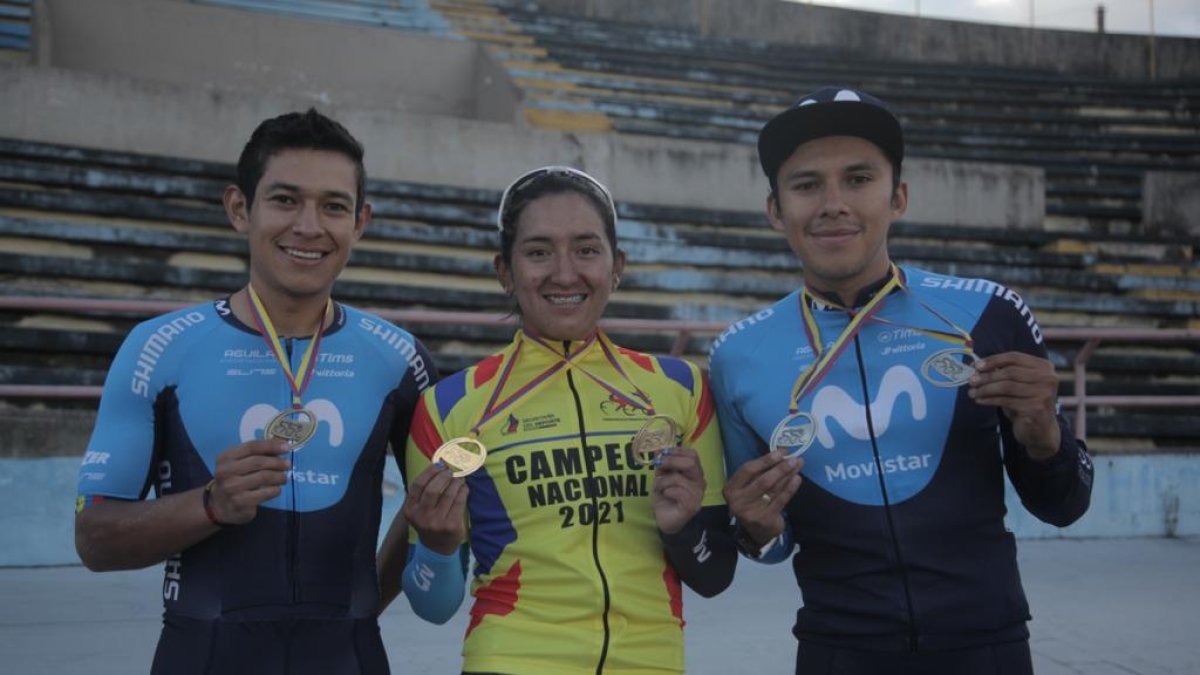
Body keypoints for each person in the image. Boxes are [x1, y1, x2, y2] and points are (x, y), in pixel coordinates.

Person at [710, 87, 1094, 674]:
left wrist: (1045, 435)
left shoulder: (990, 314)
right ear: (776, 210)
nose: (833, 203)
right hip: (837, 650)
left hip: (987, 647)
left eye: (858, 179)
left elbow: (1066, 505)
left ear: (898, 197)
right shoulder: (739, 354)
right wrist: (755, 529)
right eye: (807, 184)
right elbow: (771, 544)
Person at [74, 109, 436, 675]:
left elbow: (429, 514)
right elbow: (95, 540)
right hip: (203, 656)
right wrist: (210, 505)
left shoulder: (398, 359)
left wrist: (359, 606)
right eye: (286, 200)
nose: (309, 226)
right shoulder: (159, 348)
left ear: (360, 222)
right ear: (240, 209)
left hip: (350, 655)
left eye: (333, 206)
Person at [377, 166, 736, 674]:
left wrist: (683, 530)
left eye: (587, 250)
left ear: (617, 266)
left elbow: (714, 574)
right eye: (539, 251)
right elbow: (432, 606)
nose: (565, 273)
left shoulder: (680, 389)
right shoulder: (450, 406)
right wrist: (437, 547)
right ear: (505, 271)